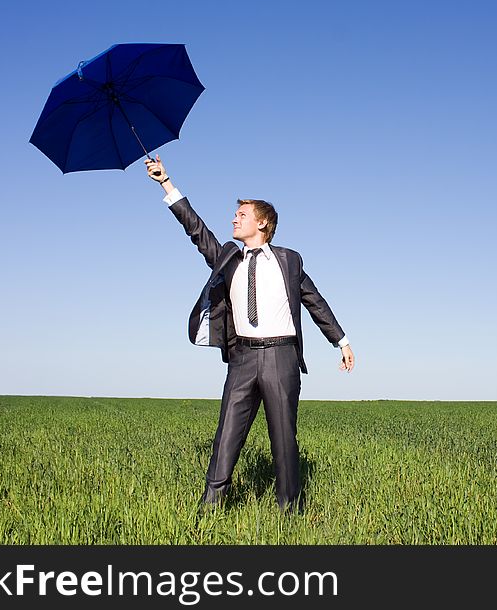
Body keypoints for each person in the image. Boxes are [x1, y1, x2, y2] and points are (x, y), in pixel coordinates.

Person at [146, 155, 354, 512]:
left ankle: (290, 510)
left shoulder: (289, 260)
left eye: (241, 215)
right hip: (242, 358)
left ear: (262, 223)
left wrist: (342, 341)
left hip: (280, 357)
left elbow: (315, 301)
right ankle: (211, 506)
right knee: (226, 434)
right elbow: (196, 229)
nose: (233, 218)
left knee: (283, 438)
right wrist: (167, 183)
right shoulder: (228, 257)